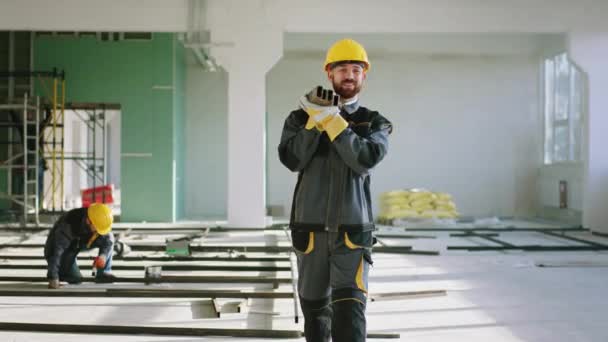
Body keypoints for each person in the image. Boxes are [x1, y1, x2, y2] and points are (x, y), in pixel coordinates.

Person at [278, 39, 393, 342]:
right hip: (311, 234)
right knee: (316, 317)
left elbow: (365, 159)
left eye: (356, 69)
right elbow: (292, 159)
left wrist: (333, 120)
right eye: (342, 68)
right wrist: (314, 123)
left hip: (352, 236)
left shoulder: (374, 122)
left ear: (364, 76)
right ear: (329, 74)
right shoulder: (300, 118)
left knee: (349, 315)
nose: (350, 74)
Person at [44, 203, 116, 289]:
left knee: (109, 238)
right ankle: (62, 273)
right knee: (76, 279)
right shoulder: (68, 225)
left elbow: (108, 239)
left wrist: (103, 256)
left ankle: (103, 273)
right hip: (64, 249)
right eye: (96, 228)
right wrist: (53, 277)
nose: (98, 231)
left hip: (81, 242)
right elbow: (56, 253)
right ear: (88, 221)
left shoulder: (96, 218)